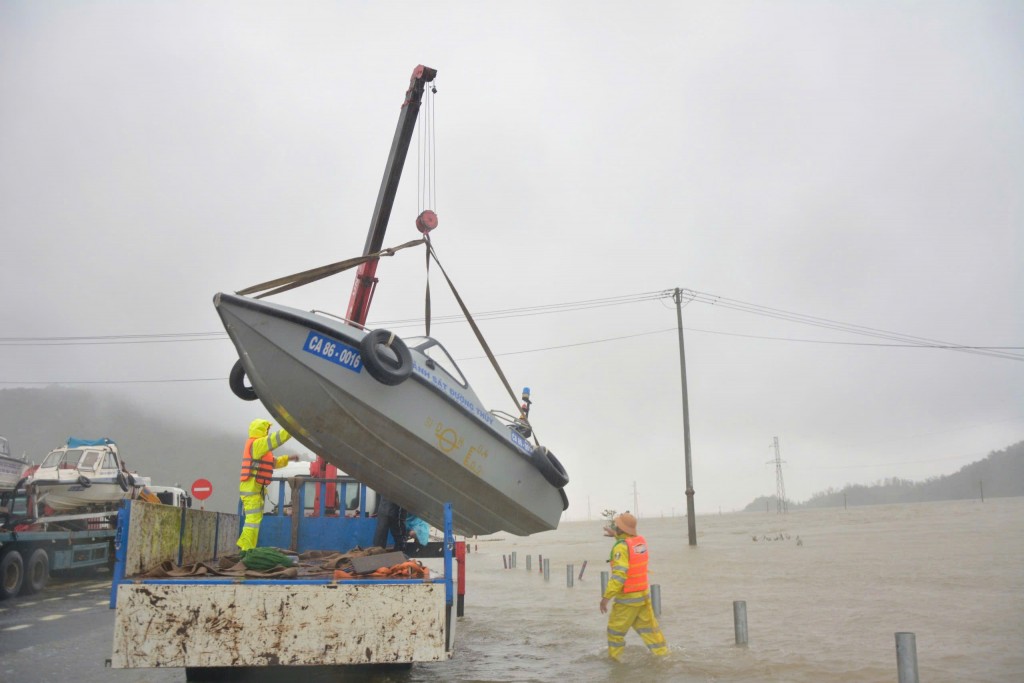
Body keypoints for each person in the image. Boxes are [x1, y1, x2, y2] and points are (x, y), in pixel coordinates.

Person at [599, 512, 669, 660]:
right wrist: (616, 536)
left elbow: (619, 576)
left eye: (616, 526)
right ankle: (664, 658)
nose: (614, 526)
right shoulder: (639, 543)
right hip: (643, 596)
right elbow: (628, 544)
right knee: (651, 632)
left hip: (627, 600)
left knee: (615, 633)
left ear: (621, 529)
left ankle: (615, 664)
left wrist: (606, 598)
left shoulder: (620, 549)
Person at [237, 418, 296, 552]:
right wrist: (291, 429)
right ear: (261, 430)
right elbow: (275, 439)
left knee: (254, 521)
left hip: (256, 490)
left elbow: (273, 463)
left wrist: (288, 459)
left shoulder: (260, 449)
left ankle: (247, 548)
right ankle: (246, 550)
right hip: (251, 490)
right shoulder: (257, 444)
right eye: (267, 429)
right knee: (252, 521)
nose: (268, 431)